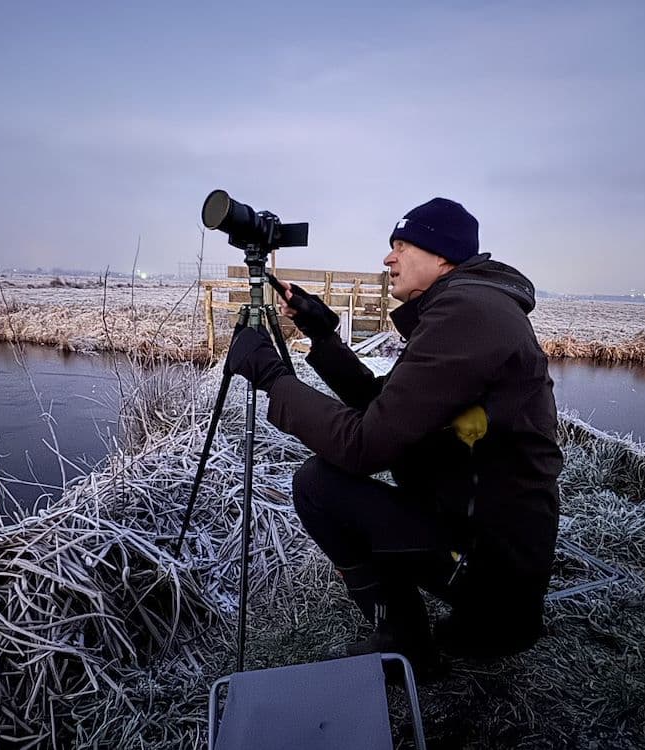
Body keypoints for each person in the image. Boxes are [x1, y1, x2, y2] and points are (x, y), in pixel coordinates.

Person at [224, 197, 563, 672]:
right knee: (326, 481)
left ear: (442, 257)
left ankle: (408, 644)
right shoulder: (471, 306)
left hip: (494, 568)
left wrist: (273, 379)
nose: (388, 258)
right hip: (490, 542)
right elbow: (389, 406)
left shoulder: (469, 316)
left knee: (319, 486)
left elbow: (364, 446)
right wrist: (325, 340)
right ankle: (434, 628)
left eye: (401, 245)